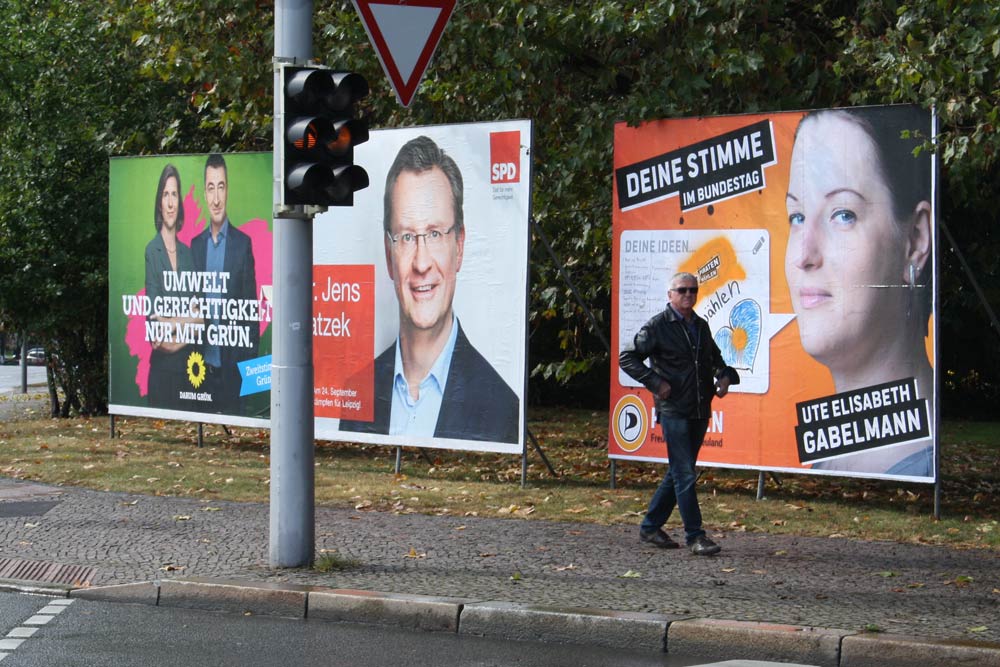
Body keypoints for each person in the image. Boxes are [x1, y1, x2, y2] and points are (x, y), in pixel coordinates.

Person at [339, 136, 519, 443]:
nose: (422, 263)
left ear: (458, 247)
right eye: (407, 237)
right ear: (388, 253)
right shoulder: (357, 392)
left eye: (435, 234)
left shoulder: (502, 407)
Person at [784, 106, 933, 476]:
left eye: (843, 214)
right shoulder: (826, 459)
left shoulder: (919, 463)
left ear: (915, 240)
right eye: (797, 217)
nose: (804, 255)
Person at [619, 272, 739, 556]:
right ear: (670, 294)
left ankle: (650, 527)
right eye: (682, 290)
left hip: (699, 407)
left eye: (693, 290)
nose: (688, 295)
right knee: (685, 473)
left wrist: (723, 376)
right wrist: (656, 383)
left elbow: (716, 360)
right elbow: (627, 357)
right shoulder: (658, 326)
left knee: (678, 472)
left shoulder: (700, 325)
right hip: (673, 409)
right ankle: (695, 536)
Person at [191, 153, 259, 415]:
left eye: (221, 187)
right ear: (205, 193)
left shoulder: (243, 244)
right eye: (210, 188)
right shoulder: (196, 246)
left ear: (227, 190)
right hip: (200, 364)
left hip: (233, 365)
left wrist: (247, 368)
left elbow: (251, 310)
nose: (216, 198)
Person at [144, 164, 201, 410]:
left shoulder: (189, 254)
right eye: (165, 195)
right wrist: (186, 323)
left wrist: (172, 324)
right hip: (162, 374)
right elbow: (156, 332)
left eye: (174, 194)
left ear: (180, 202)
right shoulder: (152, 251)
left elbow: (201, 320)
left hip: (191, 370)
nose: (170, 203)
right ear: (159, 202)